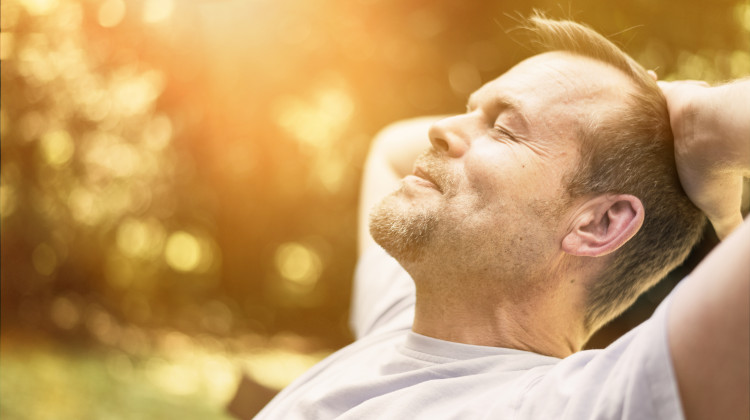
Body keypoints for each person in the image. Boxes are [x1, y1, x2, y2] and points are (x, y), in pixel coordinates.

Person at [253, 14, 749, 420]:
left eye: (504, 128)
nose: (441, 128)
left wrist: (698, 121)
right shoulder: (400, 320)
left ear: (599, 224)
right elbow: (389, 150)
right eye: (470, 109)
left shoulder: (568, 406)